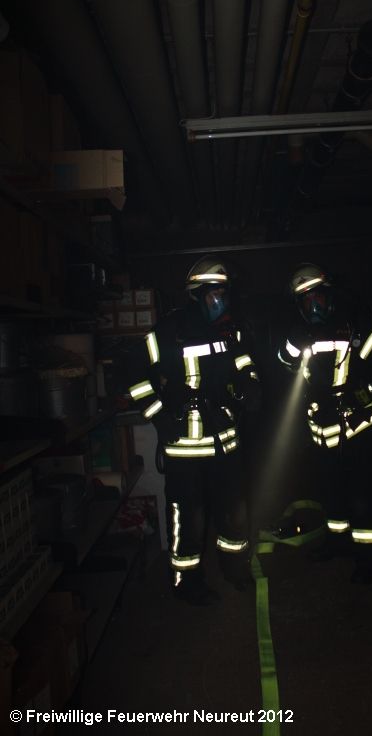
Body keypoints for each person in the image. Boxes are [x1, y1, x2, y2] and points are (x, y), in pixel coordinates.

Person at [128, 256, 261, 604]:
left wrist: (249, 385)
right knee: (189, 516)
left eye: (225, 293)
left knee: (234, 511)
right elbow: (134, 373)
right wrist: (159, 416)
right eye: (215, 294)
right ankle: (186, 582)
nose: (222, 301)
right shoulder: (169, 330)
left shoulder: (232, 330)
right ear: (197, 294)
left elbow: (244, 363)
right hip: (184, 445)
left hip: (225, 441)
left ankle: (235, 569)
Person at [277, 263, 372, 583]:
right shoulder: (300, 333)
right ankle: (337, 543)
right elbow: (284, 364)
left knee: (364, 497)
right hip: (323, 432)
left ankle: (368, 559)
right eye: (305, 300)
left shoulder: (358, 325)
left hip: (360, 428)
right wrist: (292, 344)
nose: (313, 305)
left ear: (329, 294)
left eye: (317, 296)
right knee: (331, 493)